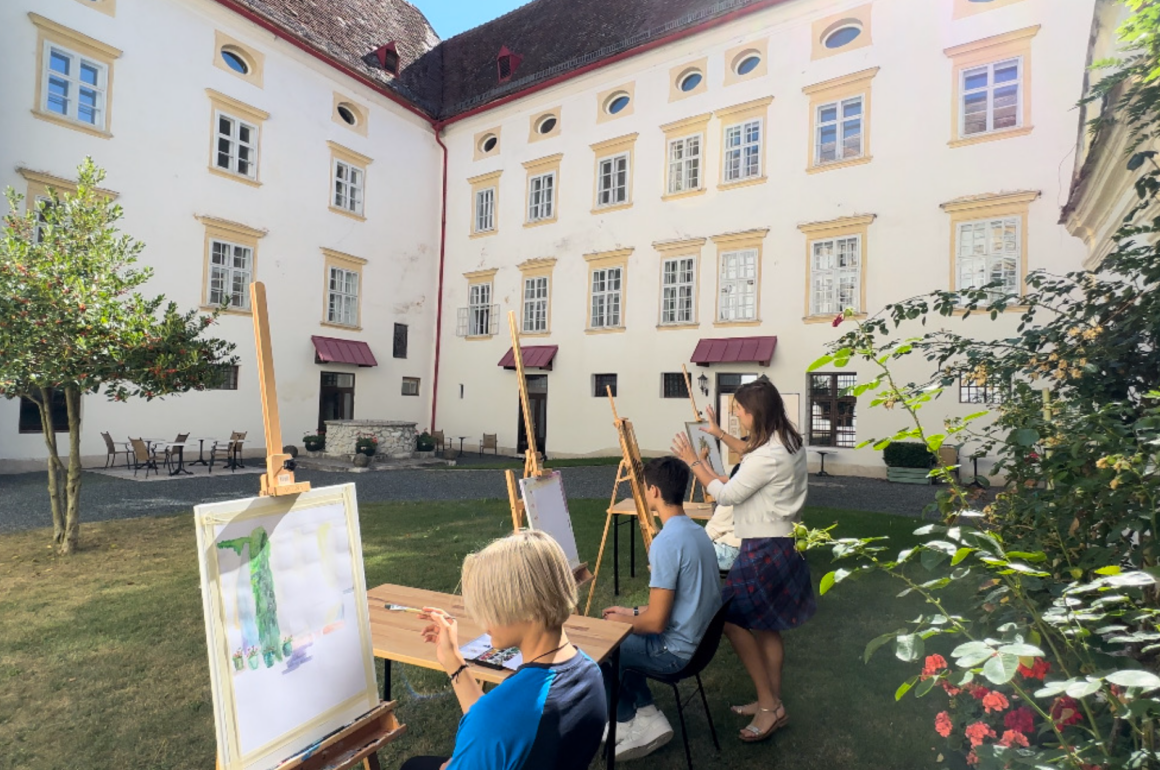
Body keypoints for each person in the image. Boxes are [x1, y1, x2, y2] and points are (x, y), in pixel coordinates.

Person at [672, 377, 814, 744]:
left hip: (764, 548)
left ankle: (768, 706)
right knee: (767, 626)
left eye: (738, 411)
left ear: (754, 414)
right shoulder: (787, 440)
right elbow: (750, 451)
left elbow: (727, 493)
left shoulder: (769, 455)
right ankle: (773, 702)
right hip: (781, 543)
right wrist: (719, 433)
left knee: (731, 620)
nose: (736, 415)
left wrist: (693, 462)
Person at [399, 530, 606, 770]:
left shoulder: (500, 717)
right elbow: (502, 726)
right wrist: (454, 662)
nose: (483, 622)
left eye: (492, 608)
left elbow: (496, 724)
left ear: (526, 607)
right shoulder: (592, 673)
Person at [601, 456, 722, 761]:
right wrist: (629, 613)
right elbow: (670, 605)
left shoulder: (666, 542)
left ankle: (625, 720)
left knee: (602, 647)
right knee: (618, 630)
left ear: (653, 491)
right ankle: (645, 713)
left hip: (676, 653)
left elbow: (655, 623)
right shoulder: (698, 534)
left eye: (643, 487)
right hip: (700, 646)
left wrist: (622, 625)